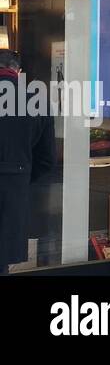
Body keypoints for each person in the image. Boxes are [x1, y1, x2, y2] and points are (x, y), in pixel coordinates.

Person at [0, 51, 54, 274]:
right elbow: (47, 159)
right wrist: (22, 177)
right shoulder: (37, 100)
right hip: (15, 190)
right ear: (18, 72)